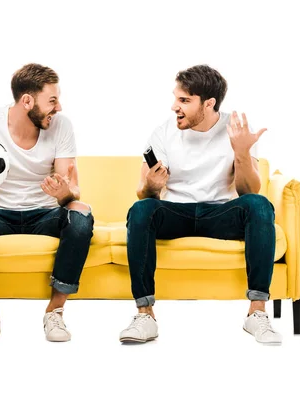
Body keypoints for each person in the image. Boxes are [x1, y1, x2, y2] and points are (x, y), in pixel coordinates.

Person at [119, 64, 282, 345]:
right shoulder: (163, 132)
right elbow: (141, 192)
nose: (174, 107)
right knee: (141, 210)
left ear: (209, 104)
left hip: (220, 212)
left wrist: (242, 152)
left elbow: (247, 190)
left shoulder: (237, 129)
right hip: (176, 212)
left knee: (259, 205)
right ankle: (145, 315)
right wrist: (152, 187)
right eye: (175, 98)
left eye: (184, 100)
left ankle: (256, 313)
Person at [0, 63, 94, 342]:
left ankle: (55, 312)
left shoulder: (62, 125)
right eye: (52, 100)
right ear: (27, 101)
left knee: (82, 213)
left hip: (46, 216)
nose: (58, 107)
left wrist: (62, 193)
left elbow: (72, 190)